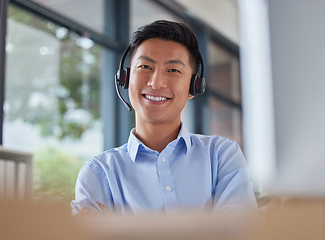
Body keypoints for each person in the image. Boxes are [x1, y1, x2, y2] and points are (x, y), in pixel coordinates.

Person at [71, 20, 257, 215]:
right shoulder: (98, 173)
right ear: (125, 78)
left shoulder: (221, 157)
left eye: (173, 70)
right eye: (145, 67)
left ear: (193, 86)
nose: (156, 82)